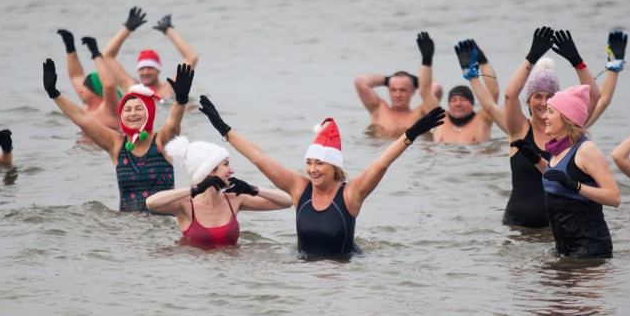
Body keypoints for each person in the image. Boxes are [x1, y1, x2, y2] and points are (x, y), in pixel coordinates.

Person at [196, 94, 446, 257]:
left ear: (335, 167)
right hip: (305, 269)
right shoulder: (298, 188)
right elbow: (259, 157)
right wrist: (224, 129)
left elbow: (381, 163)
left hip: (344, 272)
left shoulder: (351, 194)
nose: (312, 169)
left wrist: (410, 134)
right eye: (309, 163)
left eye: (320, 164)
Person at [42, 58, 194, 212]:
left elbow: (173, 123)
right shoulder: (116, 144)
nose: (133, 114)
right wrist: (54, 94)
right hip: (127, 228)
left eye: (139, 109)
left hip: (163, 226)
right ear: (121, 116)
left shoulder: (162, 140)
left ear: (149, 112)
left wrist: (181, 100)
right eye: (127, 110)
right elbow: (82, 118)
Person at [493, 27, 606, 228]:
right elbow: (510, 95)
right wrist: (532, 57)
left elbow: (595, 97)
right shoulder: (519, 129)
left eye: (550, 96)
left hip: (559, 230)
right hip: (518, 228)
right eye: (538, 96)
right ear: (528, 100)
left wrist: (577, 62)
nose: (544, 103)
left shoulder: (568, 129)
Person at [513, 84, 620, 258]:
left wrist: (576, 186)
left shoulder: (586, 150)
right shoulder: (559, 149)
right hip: (564, 249)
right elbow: (558, 179)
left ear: (566, 118)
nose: (545, 116)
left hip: (590, 248)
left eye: (551, 111)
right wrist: (535, 159)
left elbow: (614, 198)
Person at [145, 136, 292, 248]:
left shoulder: (234, 199)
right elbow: (151, 203)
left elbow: (286, 201)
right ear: (210, 171)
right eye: (226, 164)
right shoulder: (185, 205)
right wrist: (195, 189)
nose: (232, 170)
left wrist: (252, 189)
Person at [354, 32, 444, 138]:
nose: (397, 94)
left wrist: (414, 81)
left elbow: (436, 88)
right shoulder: (379, 109)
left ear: (412, 91)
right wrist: (387, 80)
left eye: (403, 90)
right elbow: (360, 81)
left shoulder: (421, 113)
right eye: (393, 89)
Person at [102, 7, 199, 100]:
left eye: (150, 68)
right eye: (142, 68)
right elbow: (106, 57)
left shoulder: (170, 88)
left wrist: (168, 29)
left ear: (158, 70)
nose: (145, 72)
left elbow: (192, 57)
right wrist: (127, 28)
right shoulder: (132, 88)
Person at [425, 39, 500, 144]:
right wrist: (426, 60)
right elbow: (425, 92)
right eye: (454, 100)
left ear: (472, 103)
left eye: (463, 99)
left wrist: (482, 60)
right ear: (448, 104)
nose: (458, 104)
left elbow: (494, 93)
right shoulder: (440, 120)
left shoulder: (483, 119)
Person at [55, 30, 121, 130]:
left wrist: (96, 54)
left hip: (101, 145)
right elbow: (75, 76)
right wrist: (70, 48)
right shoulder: (89, 106)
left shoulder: (111, 110)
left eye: (85, 87)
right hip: (85, 145)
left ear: (95, 93)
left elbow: (109, 85)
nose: (81, 89)